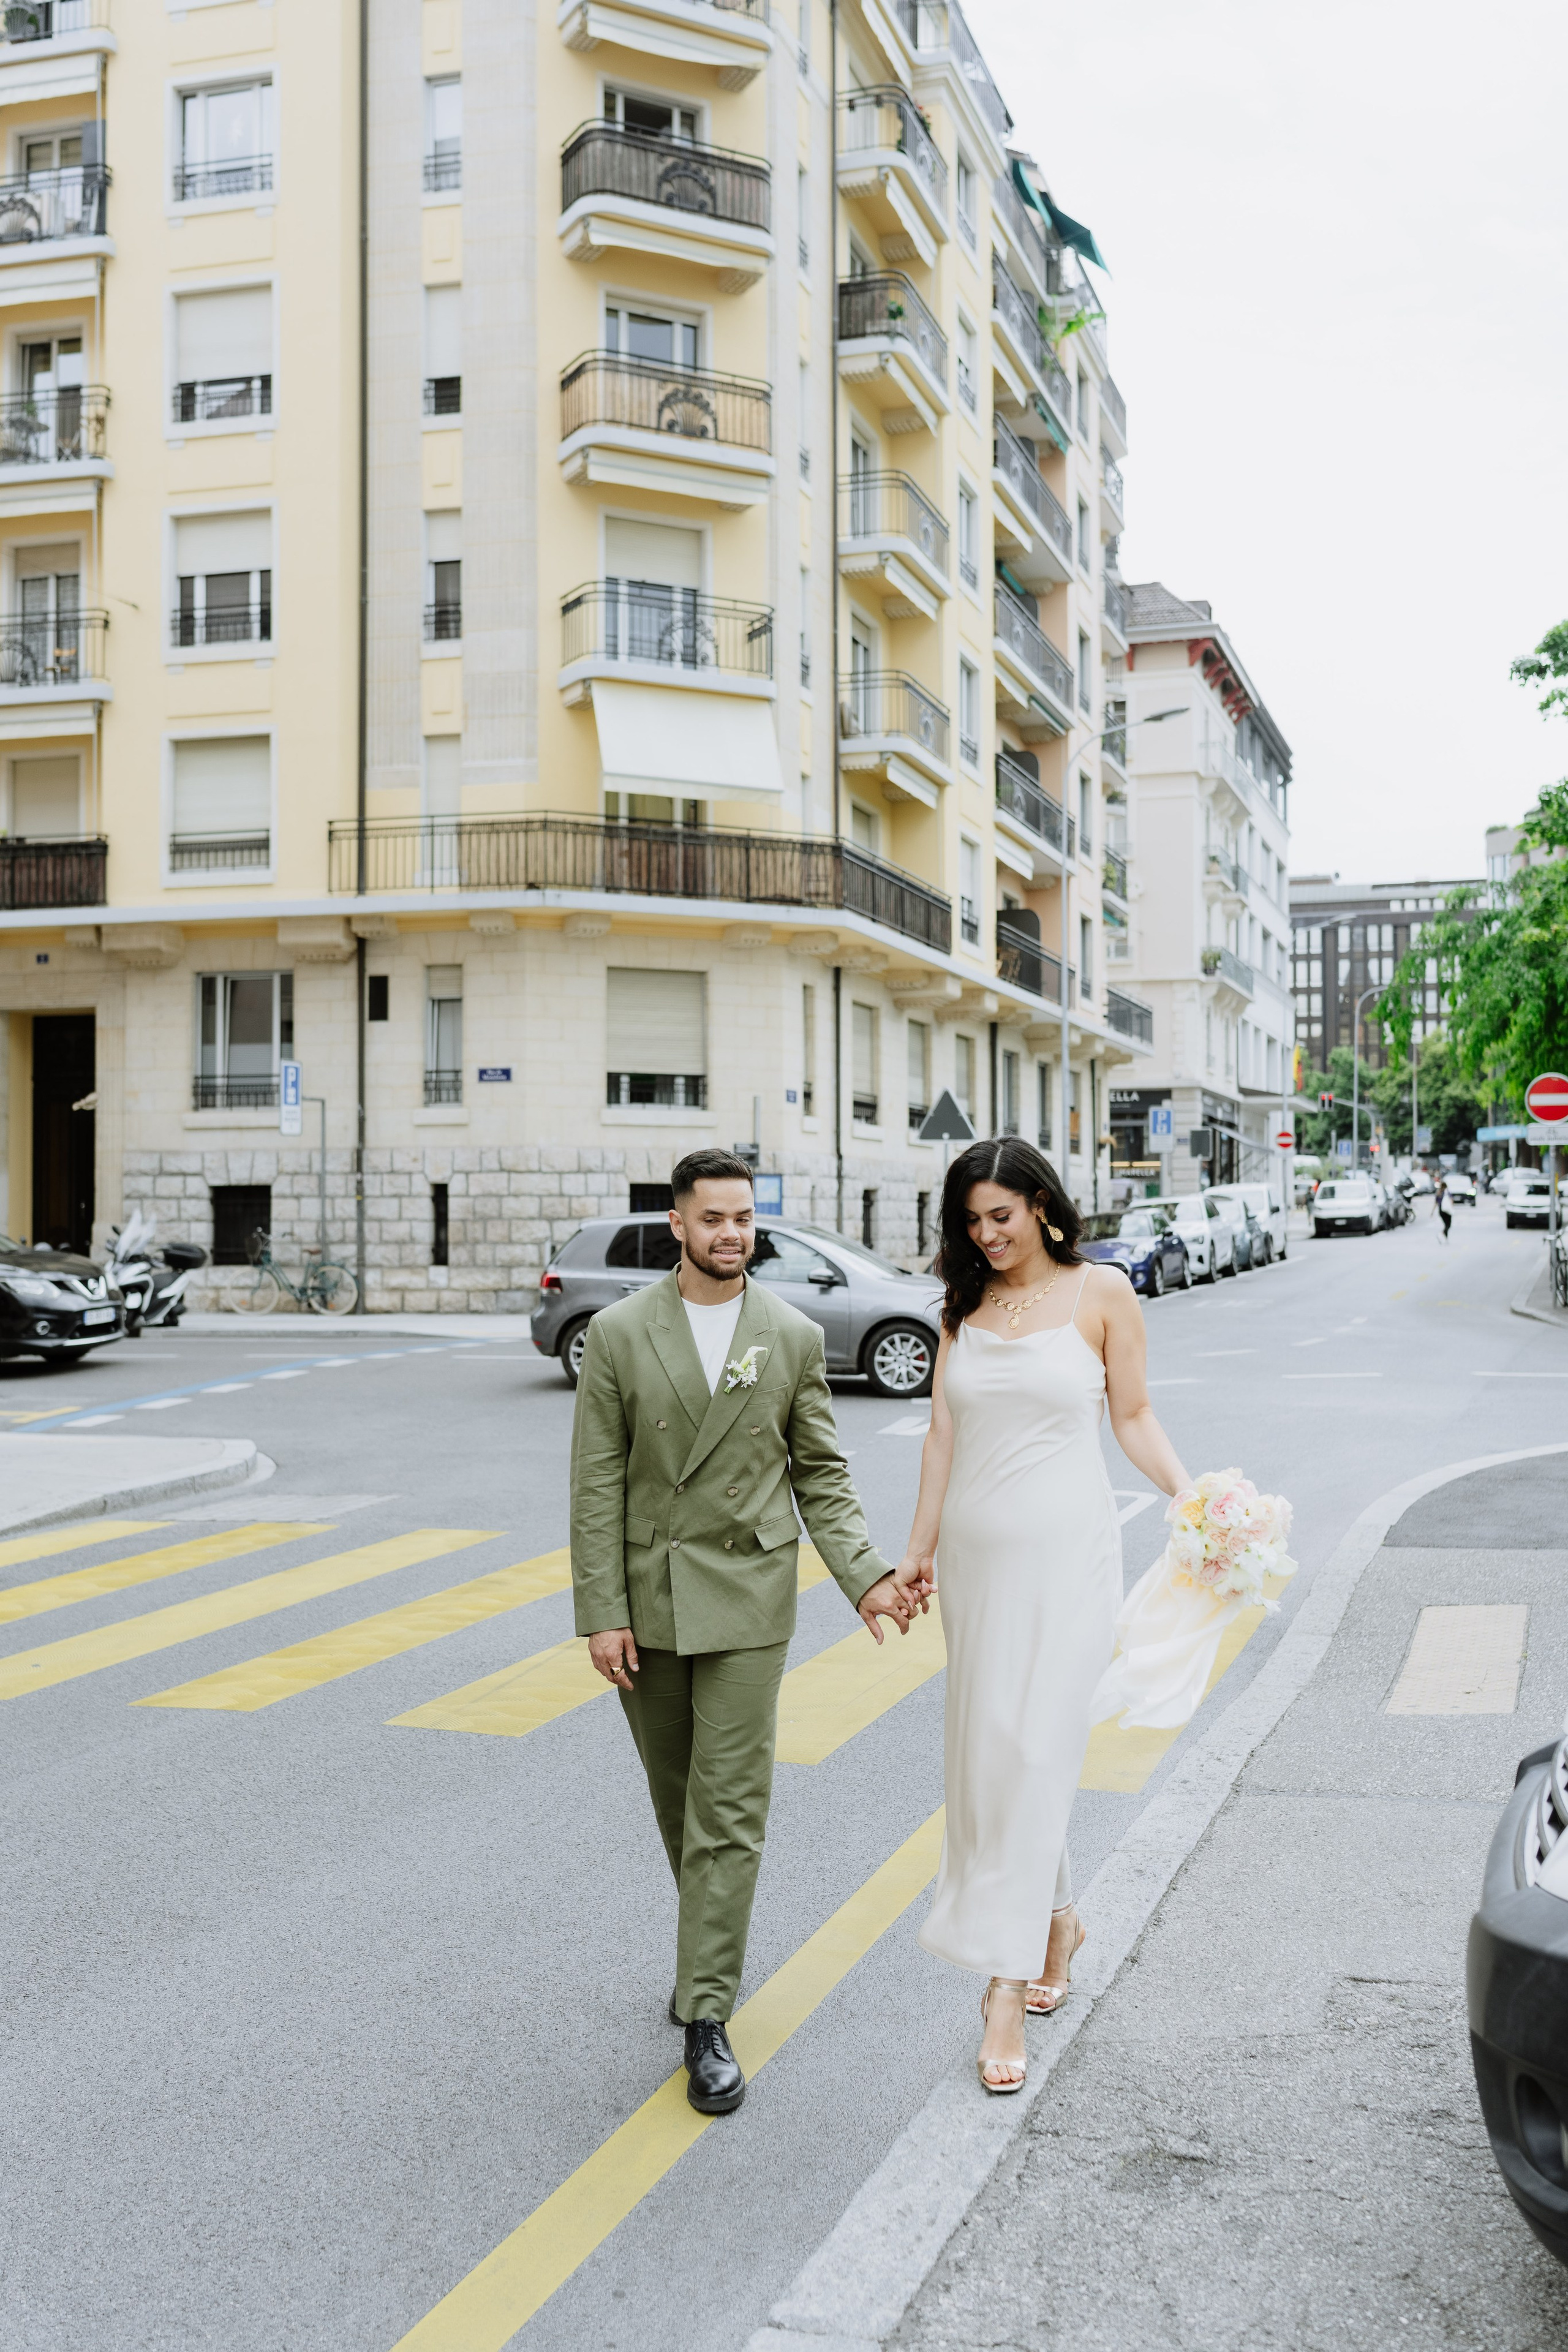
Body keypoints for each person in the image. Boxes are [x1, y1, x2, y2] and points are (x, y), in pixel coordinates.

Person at [570, 1148, 924, 2115]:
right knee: (679, 1802)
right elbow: (596, 1481)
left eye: (745, 1218)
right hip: (648, 1596)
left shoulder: (794, 1335)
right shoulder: (618, 1334)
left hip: (749, 1603)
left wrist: (867, 1577)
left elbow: (822, 1474)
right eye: (714, 1218)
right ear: (677, 1225)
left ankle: (707, 2015)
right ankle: (705, 1957)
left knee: (728, 1815)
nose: (733, 1234)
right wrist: (601, 1610)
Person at [894, 1137, 1191, 2094]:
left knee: (1032, 1750)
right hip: (980, 1562)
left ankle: (1004, 1986)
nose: (986, 1237)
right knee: (999, 1751)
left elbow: (1133, 1415)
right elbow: (943, 1433)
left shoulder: (1102, 1293)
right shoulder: (964, 1306)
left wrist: (1192, 1499)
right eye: (972, 1223)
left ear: (1042, 1206)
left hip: (1069, 1556)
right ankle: (1059, 1919)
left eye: (1001, 1218)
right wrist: (919, 1551)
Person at [1434, 1172, 1452, 1243]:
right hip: (1447, 1211)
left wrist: (1432, 1212)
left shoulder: (1439, 1193)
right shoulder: (1447, 1192)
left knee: (1446, 1224)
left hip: (1441, 1211)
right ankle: (1442, 1234)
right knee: (1448, 1225)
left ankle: (1446, 1239)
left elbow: (1436, 1203)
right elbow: (1452, 1201)